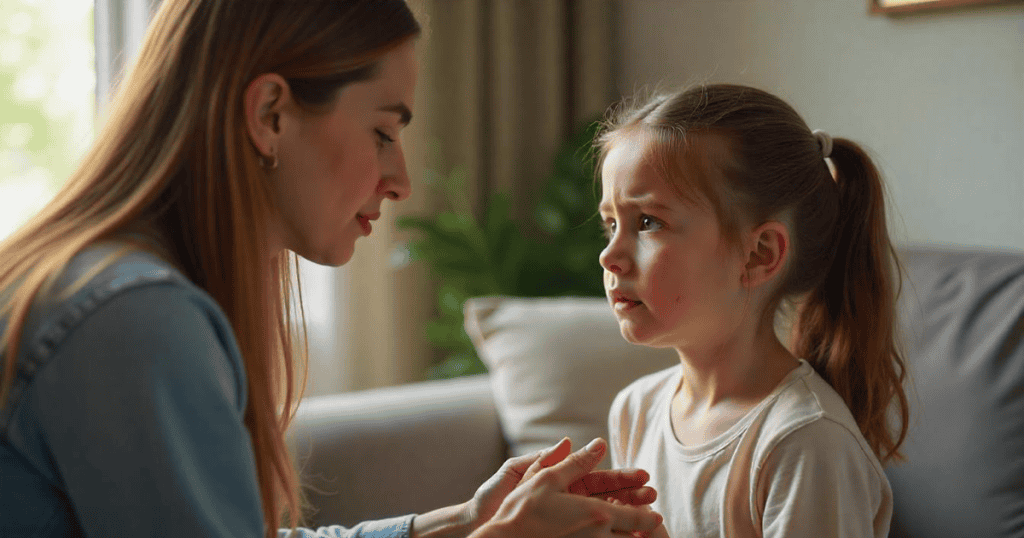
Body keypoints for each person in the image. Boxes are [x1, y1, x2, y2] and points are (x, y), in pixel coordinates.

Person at [0, 1, 666, 537]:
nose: (400, 180)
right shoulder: (135, 320)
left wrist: (463, 523)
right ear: (269, 115)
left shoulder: (116, 290)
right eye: (383, 132)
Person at [596, 84, 911, 537]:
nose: (609, 256)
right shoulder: (635, 411)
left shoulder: (805, 443)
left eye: (649, 222)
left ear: (759, 254)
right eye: (611, 224)